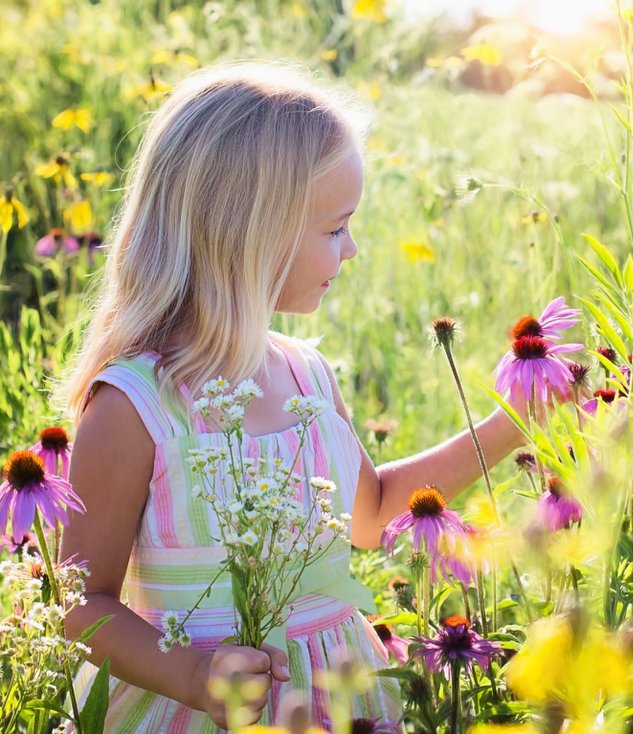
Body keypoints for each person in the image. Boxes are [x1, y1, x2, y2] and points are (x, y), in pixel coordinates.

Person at [59, 61, 527, 732]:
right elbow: (81, 605)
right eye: (335, 229)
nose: (353, 248)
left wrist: (511, 425)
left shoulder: (308, 375)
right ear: (249, 237)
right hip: (192, 711)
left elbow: (370, 516)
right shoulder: (136, 407)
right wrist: (193, 675)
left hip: (341, 699)